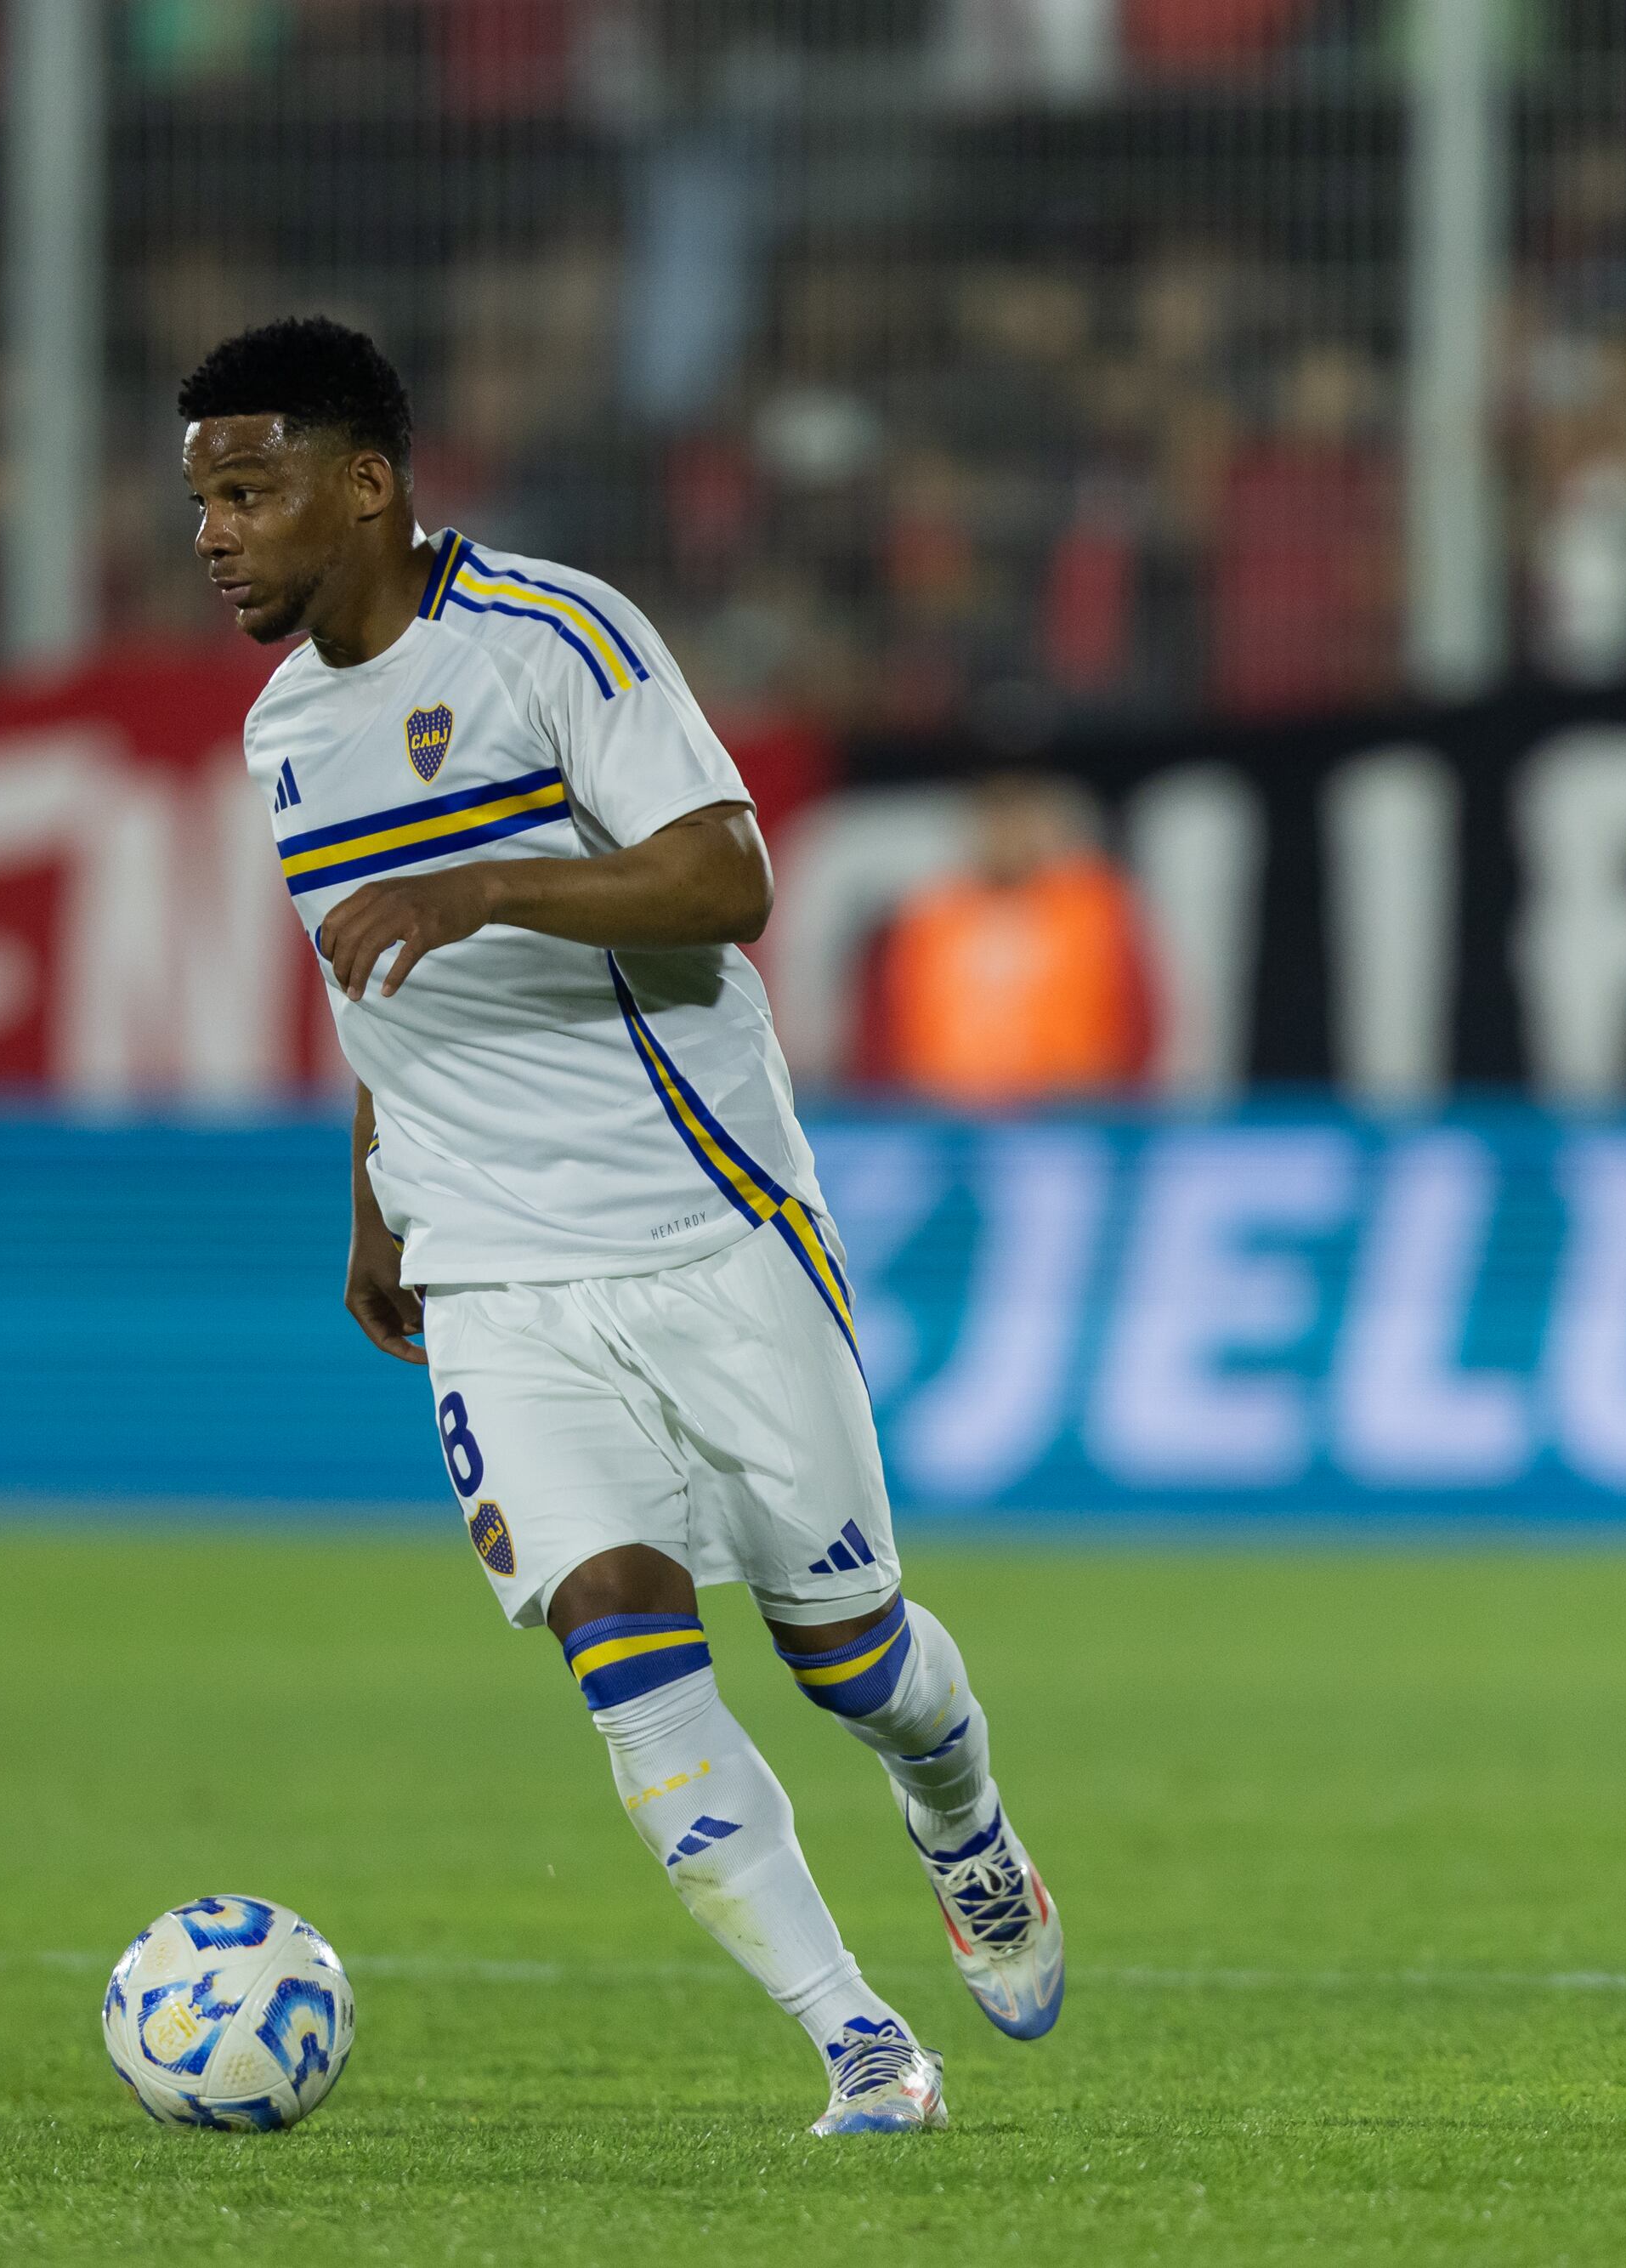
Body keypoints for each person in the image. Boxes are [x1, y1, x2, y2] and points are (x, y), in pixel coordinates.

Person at [179, 317, 1064, 2137]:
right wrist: (375, 1199)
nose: (213, 532)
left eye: (248, 490)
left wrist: (489, 872)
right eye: (198, 497)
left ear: (364, 484)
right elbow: (380, 990)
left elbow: (725, 874)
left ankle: (963, 1823)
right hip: (489, 1263)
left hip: (704, 1221)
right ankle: (859, 2043)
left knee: (852, 1657)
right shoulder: (281, 733)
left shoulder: (552, 637)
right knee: (617, 1636)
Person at [878, 773, 1154, 1105]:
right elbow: (891, 1021)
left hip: (1074, 1107)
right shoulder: (932, 914)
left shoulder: (1094, 905)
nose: (1008, 837)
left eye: (1020, 822)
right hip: (950, 1110)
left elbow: (1137, 1013)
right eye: (996, 822)